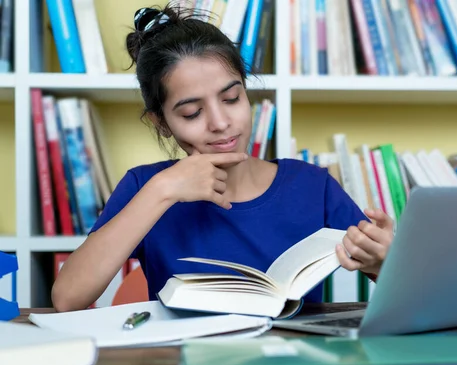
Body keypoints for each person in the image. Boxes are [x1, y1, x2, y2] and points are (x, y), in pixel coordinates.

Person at [51, 4, 395, 313]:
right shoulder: (146, 187)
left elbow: (402, 288)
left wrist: (383, 261)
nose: (220, 123)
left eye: (231, 98)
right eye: (191, 113)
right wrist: (163, 191)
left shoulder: (311, 186)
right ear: (163, 123)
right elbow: (68, 298)